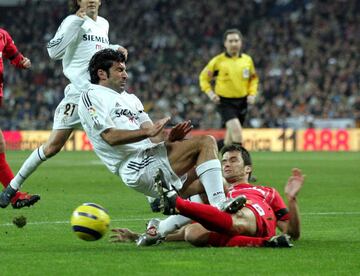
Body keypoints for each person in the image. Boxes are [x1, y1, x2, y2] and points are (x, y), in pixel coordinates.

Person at [77, 48, 227, 242]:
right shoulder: (92, 95)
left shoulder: (131, 99)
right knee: (206, 142)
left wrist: (171, 139)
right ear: (101, 73)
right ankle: (221, 207)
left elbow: (155, 137)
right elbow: (110, 137)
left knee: (215, 183)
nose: (126, 75)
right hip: (134, 165)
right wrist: (147, 133)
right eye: (119, 70)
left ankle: (157, 230)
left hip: (152, 156)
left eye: (125, 69)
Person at [0, 0, 126, 208]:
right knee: (52, 147)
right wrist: (77, 20)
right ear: (78, 1)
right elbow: (53, 51)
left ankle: (155, 195)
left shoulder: (103, 24)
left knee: (118, 139)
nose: (91, 0)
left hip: (99, 95)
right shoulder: (71, 21)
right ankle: (12, 188)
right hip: (77, 95)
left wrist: (115, 49)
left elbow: (96, 54)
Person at [111, 144, 304, 247]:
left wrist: (292, 199)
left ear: (248, 168)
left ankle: (175, 202)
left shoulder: (266, 192)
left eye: (233, 160)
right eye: (224, 160)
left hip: (254, 214)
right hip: (223, 220)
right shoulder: (215, 188)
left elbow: (292, 232)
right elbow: (182, 234)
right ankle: (266, 244)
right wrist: (140, 235)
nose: (226, 164)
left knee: (230, 205)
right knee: (192, 233)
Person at [0, 27, 40, 208]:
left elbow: (13, 55)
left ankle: (15, 196)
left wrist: (22, 62)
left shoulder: (2, 35)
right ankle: (15, 196)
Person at [199, 29, 259, 147]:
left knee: (229, 140)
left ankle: (215, 156)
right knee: (237, 134)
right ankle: (239, 163)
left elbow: (253, 79)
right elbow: (203, 78)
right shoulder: (218, 61)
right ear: (225, 43)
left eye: (236, 41)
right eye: (230, 41)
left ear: (241, 42)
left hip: (242, 102)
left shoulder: (247, 60)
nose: (234, 44)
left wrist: (252, 94)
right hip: (225, 102)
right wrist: (211, 94)